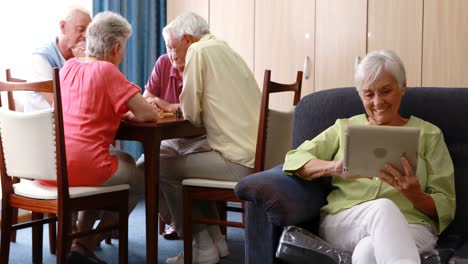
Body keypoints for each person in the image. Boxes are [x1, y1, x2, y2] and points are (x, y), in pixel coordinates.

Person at [283, 49, 456, 264]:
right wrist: (333, 168)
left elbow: (446, 205)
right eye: (368, 94)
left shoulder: (429, 134)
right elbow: (294, 159)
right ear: (360, 95)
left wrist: (415, 195)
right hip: (345, 221)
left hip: (411, 226)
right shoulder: (343, 128)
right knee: (383, 208)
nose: (377, 102)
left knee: (366, 252)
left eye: (385, 91)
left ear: (402, 87)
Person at [40, 11, 159, 263]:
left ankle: (79, 243)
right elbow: (149, 113)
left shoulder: (68, 66)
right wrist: (132, 113)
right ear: (116, 48)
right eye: (124, 48)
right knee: (139, 176)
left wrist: (121, 111)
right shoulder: (107, 71)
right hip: (85, 168)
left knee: (113, 159)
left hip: (53, 166)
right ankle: (85, 243)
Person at [159, 12, 261, 264]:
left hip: (237, 163)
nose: (173, 55)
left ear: (188, 39)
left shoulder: (198, 52)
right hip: (256, 156)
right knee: (185, 159)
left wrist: (174, 106)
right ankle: (214, 241)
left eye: (173, 47)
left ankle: (200, 245)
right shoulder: (226, 49)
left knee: (158, 167)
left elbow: (192, 113)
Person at [141, 53, 211, 240]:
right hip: (171, 139)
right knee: (143, 169)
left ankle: (201, 232)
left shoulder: (200, 63)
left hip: (202, 138)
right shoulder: (163, 62)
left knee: (170, 170)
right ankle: (175, 219)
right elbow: (147, 97)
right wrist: (151, 104)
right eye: (169, 47)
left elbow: (203, 110)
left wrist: (169, 106)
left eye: (175, 47)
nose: (173, 54)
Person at [26, 5, 92, 112]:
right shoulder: (41, 57)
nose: (85, 36)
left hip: (67, 123)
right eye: (81, 29)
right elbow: (56, 103)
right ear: (62, 27)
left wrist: (83, 63)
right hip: (45, 124)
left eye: (89, 31)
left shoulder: (84, 57)